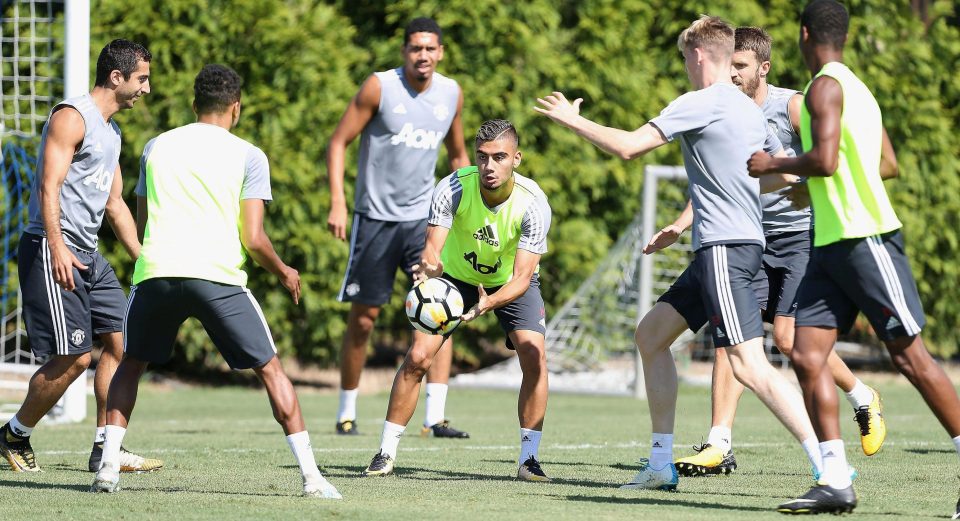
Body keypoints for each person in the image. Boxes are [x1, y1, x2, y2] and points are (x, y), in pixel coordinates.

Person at [536, 15, 826, 492]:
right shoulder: (749, 109)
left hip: (725, 250)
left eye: (684, 58)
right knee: (651, 336)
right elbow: (777, 175)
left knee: (750, 364)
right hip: (728, 247)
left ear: (696, 56)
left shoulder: (701, 101)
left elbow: (629, 147)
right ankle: (658, 464)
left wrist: (573, 119)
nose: (685, 67)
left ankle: (828, 464)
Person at [89, 64, 341, 499]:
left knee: (131, 363)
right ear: (236, 108)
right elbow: (255, 238)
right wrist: (284, 271)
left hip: (157, 273)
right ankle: (313, 479)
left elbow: (145, 221)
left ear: (194, 105)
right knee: (271, 370)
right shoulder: (249, 154)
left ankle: (107, 467)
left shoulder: (155, 146)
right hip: (217, 277)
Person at [747, 0, 960, 515]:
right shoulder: (857, 87)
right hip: (830, 246)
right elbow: (885, 163)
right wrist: (817, 191)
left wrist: (773, 163)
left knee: (912, 357)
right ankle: (836, 480)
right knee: (806, 354)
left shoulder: (824, 86)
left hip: (866, 241)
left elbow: (824, 158)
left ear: (803, 35)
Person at [666, 26, 885, 478]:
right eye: (729, 66)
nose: (732, 74)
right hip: (751, 236)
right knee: (732, 336)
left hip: (800, 238)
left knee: (788, 339)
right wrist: (681, 222)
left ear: (762, 68)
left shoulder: (791, 106)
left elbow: (830, 159)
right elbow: (720, 180)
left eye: (740, 67)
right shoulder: (721, 108)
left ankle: (861, 394)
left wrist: (805, 189)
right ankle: (718, 442)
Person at [0, 39, 162, 474]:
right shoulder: (72, 117)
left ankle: (105, 448)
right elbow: (48, 187)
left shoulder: (113, 132)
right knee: (75, 358)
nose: (146, 88)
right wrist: (57, 246)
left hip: (89, 254)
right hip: (51, 248)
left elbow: (115, 205)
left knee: (121, 344)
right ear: (117, 77)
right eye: (142, 78)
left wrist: (145, 259)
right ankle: (14, 433)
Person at [362, 119, 553, 482]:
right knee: (418, 358)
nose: (489, 166)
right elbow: (433, 246)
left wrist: (489, 303)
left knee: (534, 354)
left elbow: (523, 278)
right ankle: (385, 452)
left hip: (509, 284)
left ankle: (529, 460)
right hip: (452, 281)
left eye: (499, 157)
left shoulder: (533, 205)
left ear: (517, 158)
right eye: (482, 157)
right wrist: (427, 267)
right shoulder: (452, 188)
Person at [326, 16, 471, 437]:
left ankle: (435, 417)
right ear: (404, 51)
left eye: (430, 48)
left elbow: (459, 155)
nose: (422, 55)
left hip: (423, 221)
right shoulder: (379, 87)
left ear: (440, 52)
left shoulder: (451, 93)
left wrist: (466, 207)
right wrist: (338, 201)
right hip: (373, 218)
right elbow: (338, 142)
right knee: (365, 318)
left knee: (444, 308)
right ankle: (347, 409)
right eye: (415, 48)